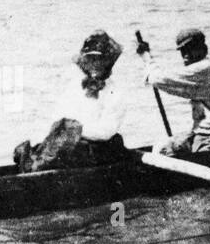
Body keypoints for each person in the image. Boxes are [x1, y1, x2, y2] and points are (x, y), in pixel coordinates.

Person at [15, 30, 129, 171]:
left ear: (107, 62)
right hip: (73, 141)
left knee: (64, 151)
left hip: (100, 147)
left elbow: (106, 131)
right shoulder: (75, 86)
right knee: (41, 148)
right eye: (90, 59)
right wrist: (61, 132)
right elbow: (60, 116)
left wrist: (75, 131)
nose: (94, 64)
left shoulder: (115, 93)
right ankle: (34, 163)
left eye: (98, 60)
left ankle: (37, 167)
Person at [136, 27, 210, 154]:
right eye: (183, 51)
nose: (186, 55)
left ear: (203, 49)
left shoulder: (205, 68)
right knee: (163, 150)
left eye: (191, 49)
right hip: (206, 131)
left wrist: (146, 58)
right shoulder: (201, 69)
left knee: (204, 156)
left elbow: (159, 79)